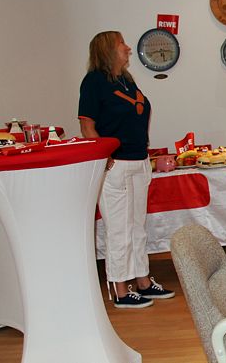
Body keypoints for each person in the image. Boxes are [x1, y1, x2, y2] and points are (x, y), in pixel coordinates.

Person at [78, 30, 174, 309]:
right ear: (108, 49)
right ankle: (120, 289)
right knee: (118, 229)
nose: (128, 48)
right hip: (115, 165)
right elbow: (87, 126)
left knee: (136, 228)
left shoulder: (126, 81)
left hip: (138, 161)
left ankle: (142, 281)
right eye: (122, 43)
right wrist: (101, 156)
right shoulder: (94, 82)